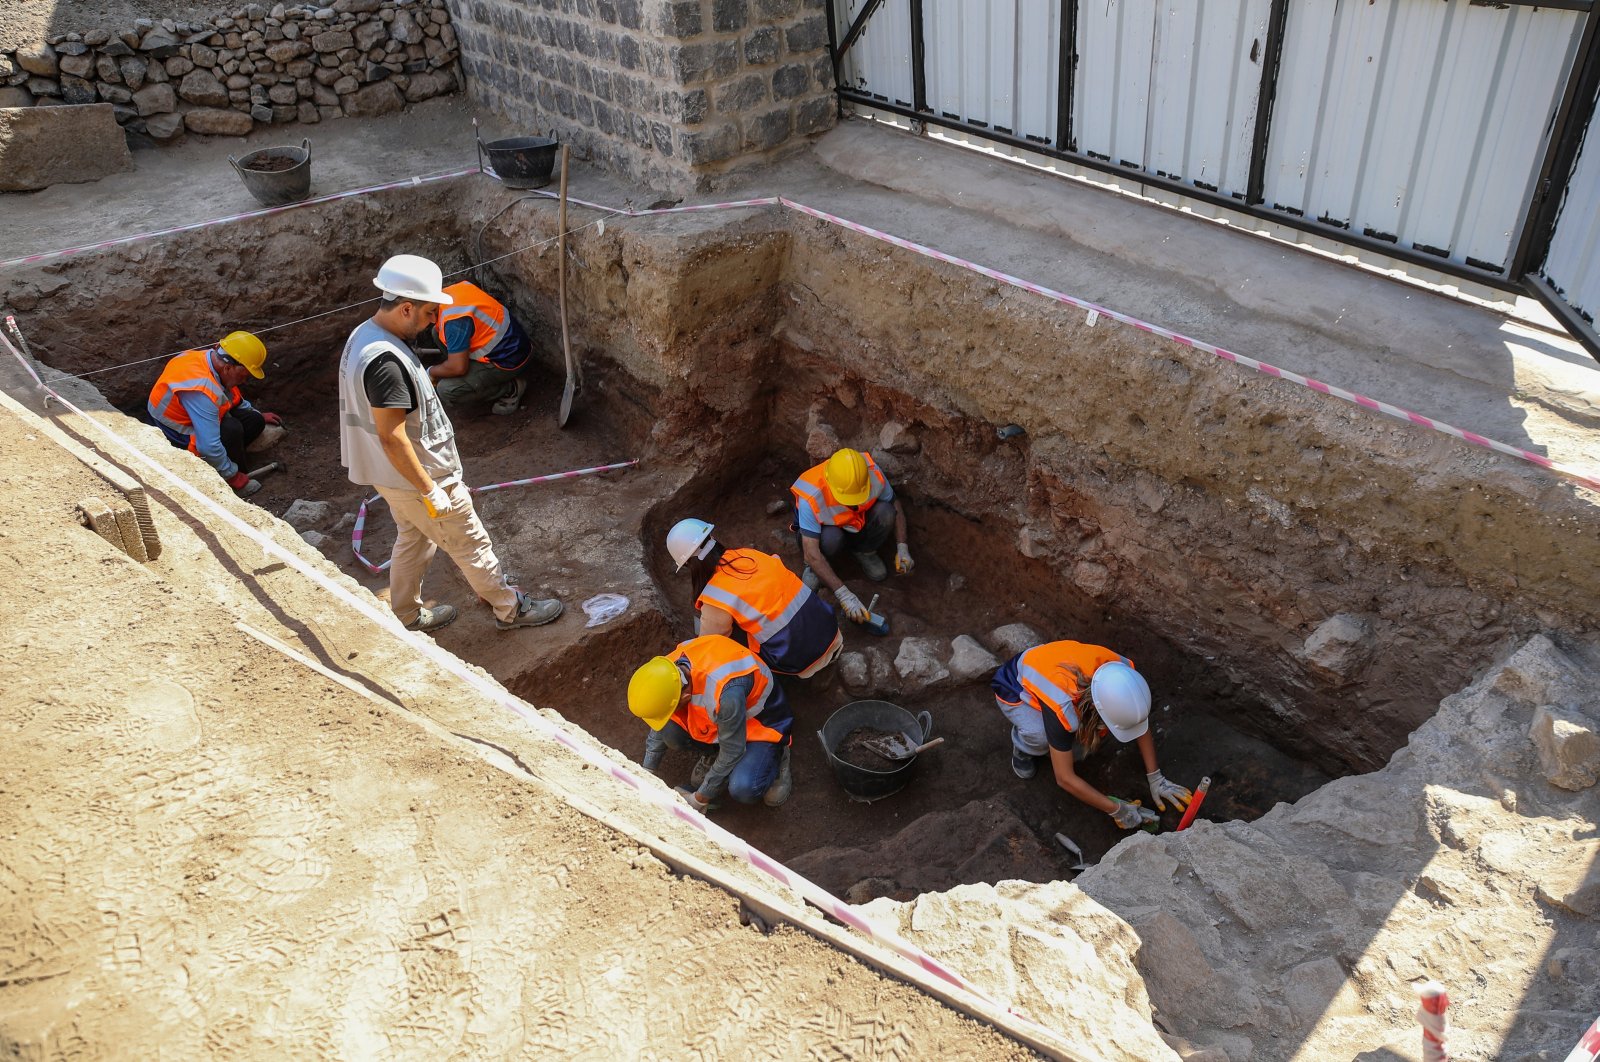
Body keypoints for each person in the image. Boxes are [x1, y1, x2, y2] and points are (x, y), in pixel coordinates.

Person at [337, 253, 562, 634]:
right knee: (470, 541)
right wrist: (430, 489)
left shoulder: (365, 335)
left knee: (414, 540)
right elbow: (392, 436)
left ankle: (406, 613)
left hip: (387, 475)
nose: (432, 322)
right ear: (406, 308)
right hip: (418, 474)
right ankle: (509, 609)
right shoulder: (386, 361)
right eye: (428, 313)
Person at [992, 640, 1193, 830]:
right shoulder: (1061, 705)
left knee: (1081, 746)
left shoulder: (1123, 677)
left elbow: (1138, 719)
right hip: (1015, 686)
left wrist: (1155, 777)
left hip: (1050, 666)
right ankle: (1023, 747)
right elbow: (1064, 778)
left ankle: (1056, 741)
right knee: (1042, 737)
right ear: (1097, 707)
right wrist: (1117, 810)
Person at [629, 634, 794, 810]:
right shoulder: (669, 670)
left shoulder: (726, 694)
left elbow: (733, 750)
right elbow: (659, 721)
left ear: (684, 697)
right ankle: (717, 762)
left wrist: (700, 799)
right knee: (670, 732)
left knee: (744, 787)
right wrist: (645, 772)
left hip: (761, 724)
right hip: (724, 718)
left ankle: (776, 757)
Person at [666, 517, 843, 678]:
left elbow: (709, 643)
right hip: (829, 629)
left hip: (801, 659)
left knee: (727, 640)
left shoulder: (715, 596)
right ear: (711, 537)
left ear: (688, 563)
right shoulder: (748, 554)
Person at [146, 331, 285, 497]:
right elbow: (208, 446)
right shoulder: (201, 389)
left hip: (195, 414)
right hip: (175, 434)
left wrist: (253, 413)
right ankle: (229, 478)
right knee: (231, 430)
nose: (244, 381)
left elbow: (230, 393)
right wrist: (233, 476)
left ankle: (228, 459)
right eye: (243, 376)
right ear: (228, 367)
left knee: (254, 421)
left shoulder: (211, 360)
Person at [789, 447, 913, 626]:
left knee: (886, 512)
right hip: (825, 535)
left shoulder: (870, 473)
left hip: (857, 526)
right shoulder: (812, 494)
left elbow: (896, 506)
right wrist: (844, 594)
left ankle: (865, 551)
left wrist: (902, 547)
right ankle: (814, 569)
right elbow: (811, 551)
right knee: (832, 539)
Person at [423, 280, 533, 415]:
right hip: (511, 344)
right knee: (436, 332)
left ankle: (510, 388)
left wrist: (431, 372)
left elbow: (458, 367)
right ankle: (466, 374)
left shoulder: (454, 322)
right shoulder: (451, 293)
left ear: (430, 313)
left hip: (509, 360)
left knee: (446, 390)